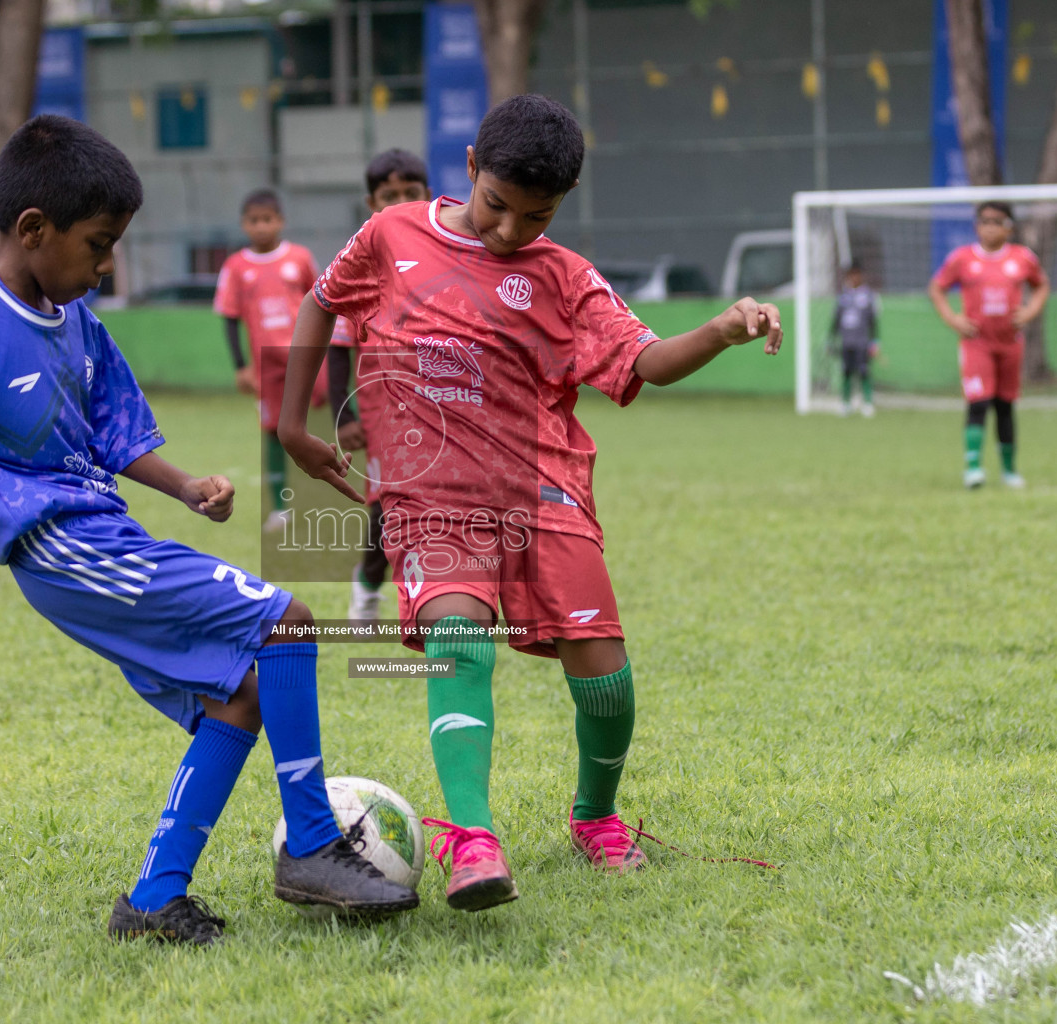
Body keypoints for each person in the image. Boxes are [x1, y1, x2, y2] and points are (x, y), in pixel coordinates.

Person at [0, 115, 418, 946]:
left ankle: (153, 901)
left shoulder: (79, 323)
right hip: (59, 548)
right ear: (33, 230)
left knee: (245, 691)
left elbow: (113, 436)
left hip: (105, 535)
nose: (107, 265)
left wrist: (183, 486)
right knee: (284, 619)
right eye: (99, 244)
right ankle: (315, 849)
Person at [276, 95, 782, 912]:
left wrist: (720, 331)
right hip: (430, 495)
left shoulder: (566, 278)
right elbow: (321, 302)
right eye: (497, 207)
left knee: (606, 678)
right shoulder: (391, 233)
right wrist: (291, 423)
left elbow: (642, 363)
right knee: (459, 638)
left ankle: (595, 816)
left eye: (535, 215)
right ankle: (473, 841)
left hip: (543, 490)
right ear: (471, 168)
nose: (511, 231)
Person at [327, 148, 432, 623]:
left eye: (411, 193)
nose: (401, 202)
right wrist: (342, 414)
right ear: (371, 202)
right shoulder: (363, 264)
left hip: (441, 403)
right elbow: (336, 345)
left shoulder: (445, 256)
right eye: (390, 196)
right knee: (388, 504)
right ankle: (369, 583)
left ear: (429, 196)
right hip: (382, 408)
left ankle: (441, 596)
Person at [213, 190, 326, 533]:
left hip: (304, 356)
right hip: (266, 365)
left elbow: (322, 301)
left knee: (321, 420)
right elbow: (229, 317)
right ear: (244, 224)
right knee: (275, 431)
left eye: (268, 219)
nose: (261, 226)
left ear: (280, 221)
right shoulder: (236, 267)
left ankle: (325, 497)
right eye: (254, 220)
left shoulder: (300, 258)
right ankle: (280, 507)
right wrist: (240, 366)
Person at [928, 201, 1050, 489]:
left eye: (996, 221)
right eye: (984, 221)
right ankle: (973, 468)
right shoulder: (962, 258)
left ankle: (1009, 470)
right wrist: (952, 318)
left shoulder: (1022, 258)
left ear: (1009, 227)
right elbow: (937, 287)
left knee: (1005, 405)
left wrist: (1030, 311)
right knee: (979, 402)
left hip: (1010, 343)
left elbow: (1042, 285)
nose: (989, 227)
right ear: (976, 226)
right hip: (976, 343)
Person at [829, 261, 879, 417]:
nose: (854, 278)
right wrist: (831, 339)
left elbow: (873, 321)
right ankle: (846, 404)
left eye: (857, 274)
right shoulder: (843, 296)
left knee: (864, 371)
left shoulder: (869, 296)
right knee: (846, 372)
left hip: (862, 341)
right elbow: (835, 320)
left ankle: (867, 403)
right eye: (851, 274)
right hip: (846, 341)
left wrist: (875, 341)